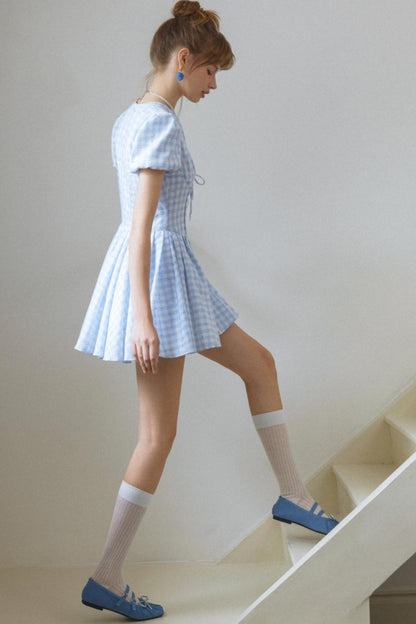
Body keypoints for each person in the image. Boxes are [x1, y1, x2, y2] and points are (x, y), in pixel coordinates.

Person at [74, 1, 338, 620]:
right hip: (159, 283)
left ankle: (292, 496)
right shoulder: (160, 124)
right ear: (183, 59)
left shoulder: (131, 117)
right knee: (161, 434)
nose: (214, 84)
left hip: (165, 276)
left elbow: (139, 228)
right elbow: (142, 229)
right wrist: (143, 317)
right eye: (211, 71)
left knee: (249, 372)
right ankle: (108, 574)